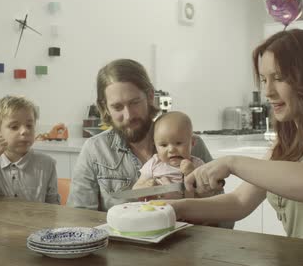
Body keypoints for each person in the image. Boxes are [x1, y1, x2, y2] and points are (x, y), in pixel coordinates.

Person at [170, 29, 303, 247]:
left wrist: (232, 163)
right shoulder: (288, 140)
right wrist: (175, 208)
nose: (268, 91)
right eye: (263, 79)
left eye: (278, 78)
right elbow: (239, 202)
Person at [66, 59, 216, 212]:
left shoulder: (189, 144)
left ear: (150, 97)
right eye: (117, 107)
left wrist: (199, 198)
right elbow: (78, 217)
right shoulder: (95, 150)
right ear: (104, 107)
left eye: (135, 102)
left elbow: (222, 217)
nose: (128, 115)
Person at [0, 95, 60, 204]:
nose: (24, 131)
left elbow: (53, 207)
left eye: (29, 125)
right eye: (14, 127)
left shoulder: (47, 164)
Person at [132, 111, 204, 199]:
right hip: (159, 210)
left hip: (188, 210)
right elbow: (135, 189)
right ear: (155, 145)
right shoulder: (154, 163)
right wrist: (145, 187)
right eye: (164, 145)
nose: (171, 149)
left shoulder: (197, 165)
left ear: (192, 142)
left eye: (178, 143)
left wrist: (192, 173)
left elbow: (208, 194)